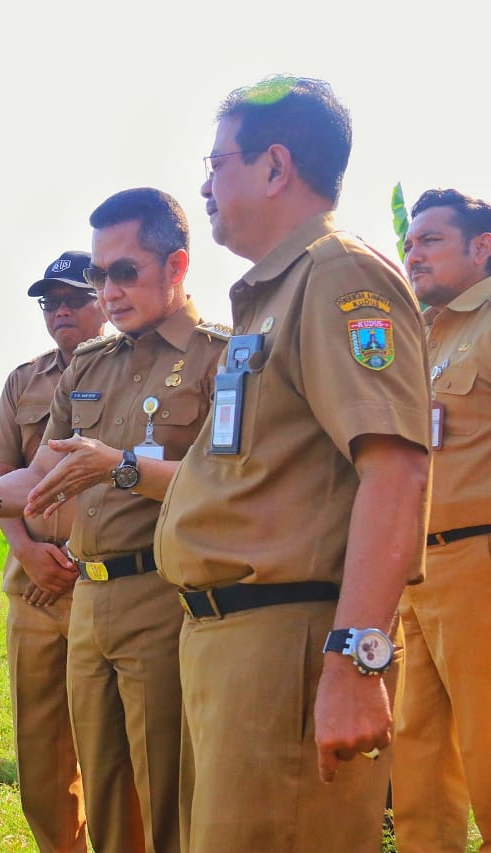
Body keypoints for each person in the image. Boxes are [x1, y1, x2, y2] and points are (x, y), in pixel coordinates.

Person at [0, 188, 227, 852]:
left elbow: (236, 482)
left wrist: (121, 465)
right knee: (102, 799)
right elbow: (41, 469)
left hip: (165, 600)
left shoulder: (221, 355)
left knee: (167, 799)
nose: (107, 291)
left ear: (177, 266)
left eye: (124, 272)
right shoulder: (91, 367)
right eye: (100, 275)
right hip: (90, 605)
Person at [154, 76, 430, 852]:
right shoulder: (275, 294)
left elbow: (397, 472)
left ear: (276, 167)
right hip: (232, 648)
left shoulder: (340, 274)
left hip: (289, 649)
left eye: (217, 163)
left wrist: (354, 661)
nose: (203, 185)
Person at [0, 249, 104, 853]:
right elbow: (1, 476)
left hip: (106, 580)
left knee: (115, 747)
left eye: (74, 299)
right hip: (32, 583)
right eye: (50, 303)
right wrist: (26, 551)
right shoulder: (23, 381)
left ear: (105, 297)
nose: (60, 312)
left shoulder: (139, 372)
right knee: (41, 750)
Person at [393, 187, 491, 851]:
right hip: (414, 573)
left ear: (482, 247)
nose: (413, 252)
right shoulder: (417, 335)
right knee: (418, 768)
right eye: (411, 240)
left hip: (478, 566)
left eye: (431, 240)